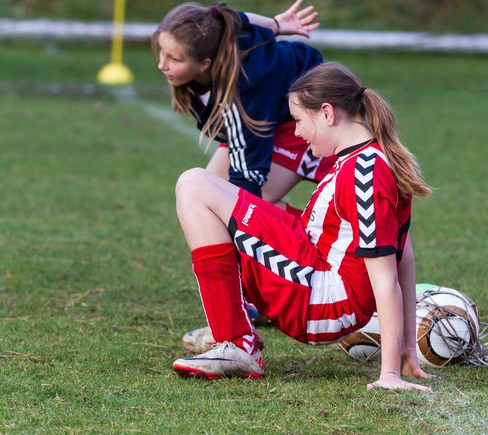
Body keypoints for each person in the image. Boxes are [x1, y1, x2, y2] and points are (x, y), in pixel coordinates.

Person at [170, 62, 433, 392]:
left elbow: (386, 274)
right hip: (316, 271)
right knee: (217, 192)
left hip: (322, 301)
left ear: (326, 113)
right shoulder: (368, 159)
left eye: (298, 121)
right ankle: (233, 332)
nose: (296, 132)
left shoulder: (366, 173)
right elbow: (404, 253)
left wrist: (390, 373)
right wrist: (410, 345)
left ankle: (236, 343)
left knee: (194, 184)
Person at [152, 0, 335, 206]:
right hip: (270, 116)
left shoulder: (243, 92)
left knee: (234, 204)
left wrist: (241, 213)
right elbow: (234, 17)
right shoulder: (219, 32)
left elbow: (248, 176)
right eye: (161, 51)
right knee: (203, 196)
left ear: (204, 64)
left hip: (306, 119)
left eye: (174, 59)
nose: (161, 64)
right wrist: (275, 24)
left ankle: (309, 234)